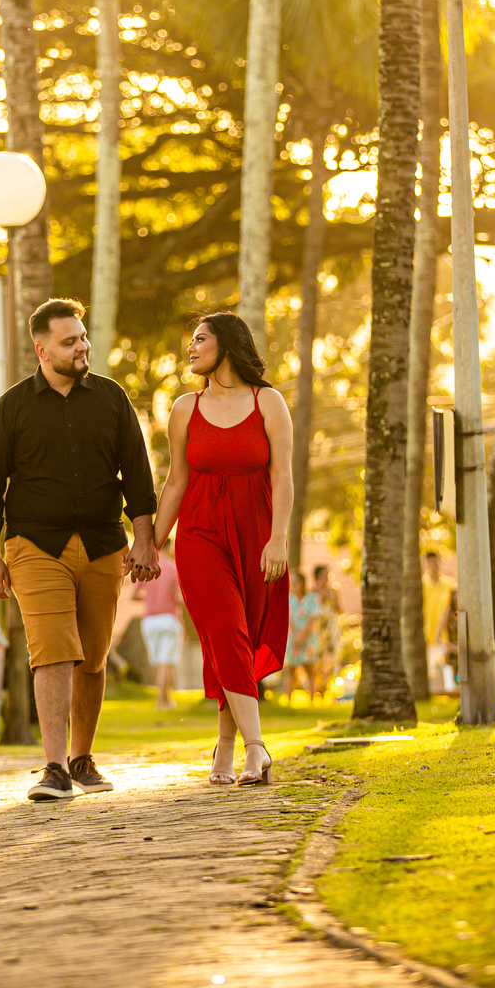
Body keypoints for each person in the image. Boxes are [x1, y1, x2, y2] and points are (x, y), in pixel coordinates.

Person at [0, 298, 159, 804]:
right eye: (69, 340)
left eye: (83, 337)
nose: (82, 346)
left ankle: (82, 757)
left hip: (102, 543)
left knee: (92, 660)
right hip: (35, 544)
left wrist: (144, 538)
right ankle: (53, 767)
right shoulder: (13, 406)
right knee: (53, 651)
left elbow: (138, 475)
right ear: (42, 349)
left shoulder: (112, 398)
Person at [153, 311, 293, 788]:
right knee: (225, 629)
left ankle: (226, 747)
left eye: (199, 339)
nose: (190, 348)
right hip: (199, 534)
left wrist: (279, 537)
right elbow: (175, 482)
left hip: (257, 533)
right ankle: (257, 748)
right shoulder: (184, 409)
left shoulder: (267, 401)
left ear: (227, 345)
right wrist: (150, 544)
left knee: (239, 639)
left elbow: (283, 477)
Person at [135, 540, 184, 711]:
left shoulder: (147, 567)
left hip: (149, 621)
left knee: (158, 663)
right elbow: (181, 596)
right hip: (169, 619)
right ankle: (161, 701)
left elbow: (134, 595)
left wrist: (149, 598)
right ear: (169, 548)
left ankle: (167, 698)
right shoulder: (173, 568)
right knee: (166, 661)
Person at [282, 570, 321, 703]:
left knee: (309, 669)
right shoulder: (288, 599)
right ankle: (288, 699)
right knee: (290, 669)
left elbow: (313, 617)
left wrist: (303, 635)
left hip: (308, 638)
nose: (293, 585)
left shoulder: (312, 598)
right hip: (293, 638)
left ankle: (311, 699)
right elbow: (288, 618)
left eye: (296, 583)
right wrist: (296, 635)